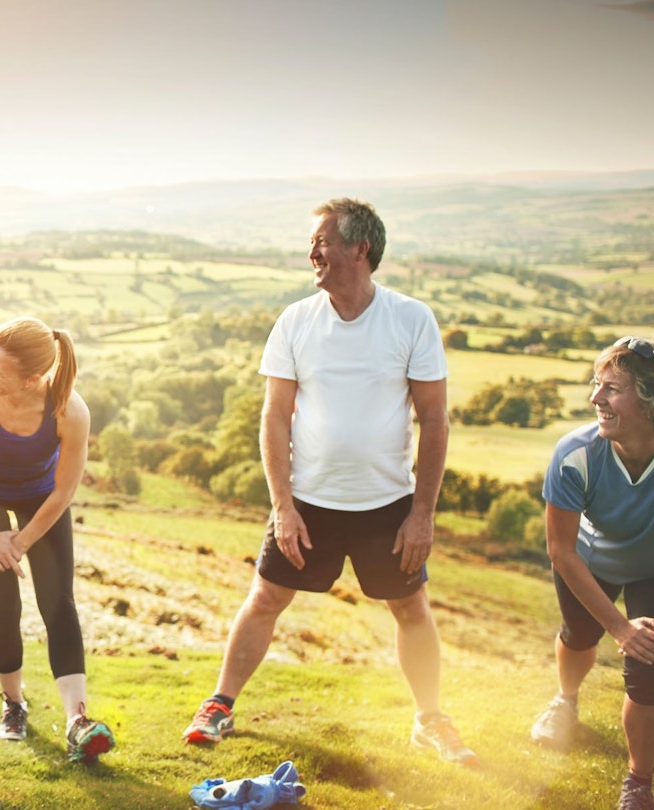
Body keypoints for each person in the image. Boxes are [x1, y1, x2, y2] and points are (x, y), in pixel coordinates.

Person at [181, 198, 478, 767]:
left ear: (359, 249)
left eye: (322, 241)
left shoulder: (411, 318)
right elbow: (274, 418)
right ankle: (219, 704)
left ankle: (430, 720)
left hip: (387, 505)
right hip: (308, 504)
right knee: (266, 598)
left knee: (411, 610)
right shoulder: (295, 320)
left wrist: (422, 513)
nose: (311, 252)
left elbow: (434, 420)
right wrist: (282, 506)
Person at [529, 337, 654, 810]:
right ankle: (565, 701)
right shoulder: (574, 454)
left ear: (652, 400)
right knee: (579, 636)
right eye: (597, 385)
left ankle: (638, 783)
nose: (596, 398)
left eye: (611, 388)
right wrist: (617, 627)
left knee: (650, 668)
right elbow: (561, 551)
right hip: (591, 562)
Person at [0, 316, 116, 764]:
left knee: (58, 602)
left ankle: (77, 721)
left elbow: (64, 490)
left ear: (33, 378)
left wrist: (20, 542)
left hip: (42, 502)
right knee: (4, 601)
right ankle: (13, 705)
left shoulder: (69, 411)